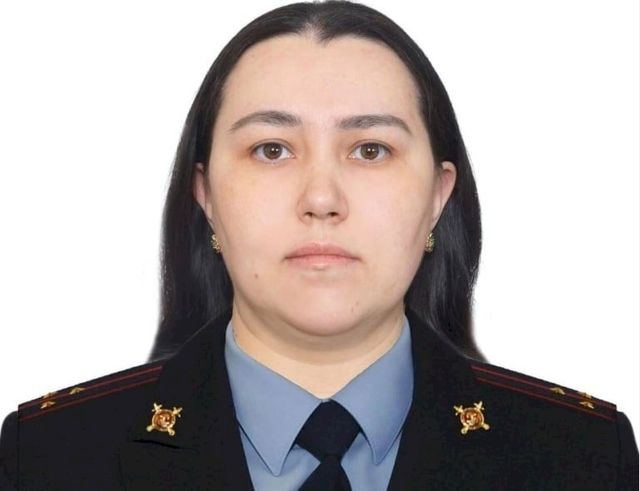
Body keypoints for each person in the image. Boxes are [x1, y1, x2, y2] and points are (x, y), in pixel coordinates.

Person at [0, 1, 637, 489]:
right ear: (207, 195)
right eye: (271, 149)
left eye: (371, 149)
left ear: (438, 196)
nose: (322, 198)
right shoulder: (49, 457)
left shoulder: (582, 457)